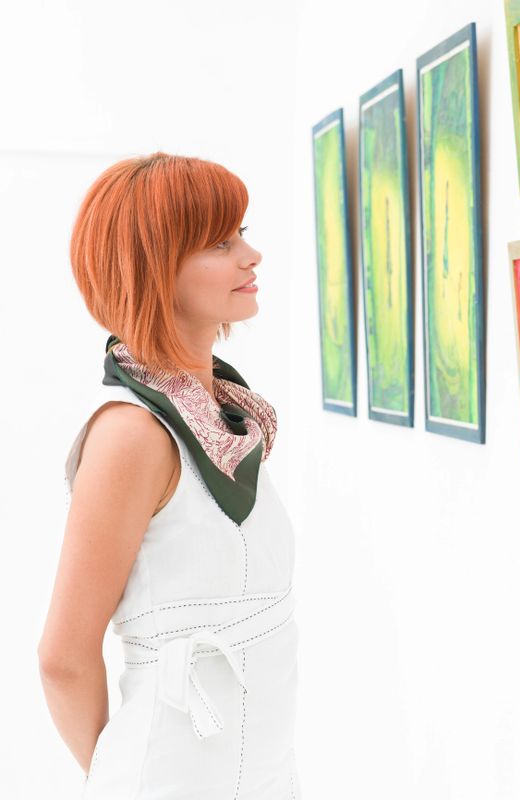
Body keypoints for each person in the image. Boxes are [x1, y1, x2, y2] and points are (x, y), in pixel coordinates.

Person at [37, 152, 301, 799]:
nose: (251, 255)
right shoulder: (131, 434)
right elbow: (63, 659)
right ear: (154, 268)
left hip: (260, 771)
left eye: (241, 231)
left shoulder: (228, 416)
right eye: (220, 241)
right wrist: (125, 774)